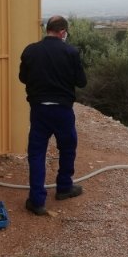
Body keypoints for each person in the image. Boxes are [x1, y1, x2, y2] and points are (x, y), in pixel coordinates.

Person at [19, 15, 87, 215]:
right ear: (63, 32)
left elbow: (23, 77)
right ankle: (64, 187)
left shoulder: (30, 51)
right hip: (63, 111)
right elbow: (81, 82)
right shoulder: (71, 52)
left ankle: (37, 200)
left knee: (37, 153)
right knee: (67, 148)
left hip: (39, 110)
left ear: (47, 29)